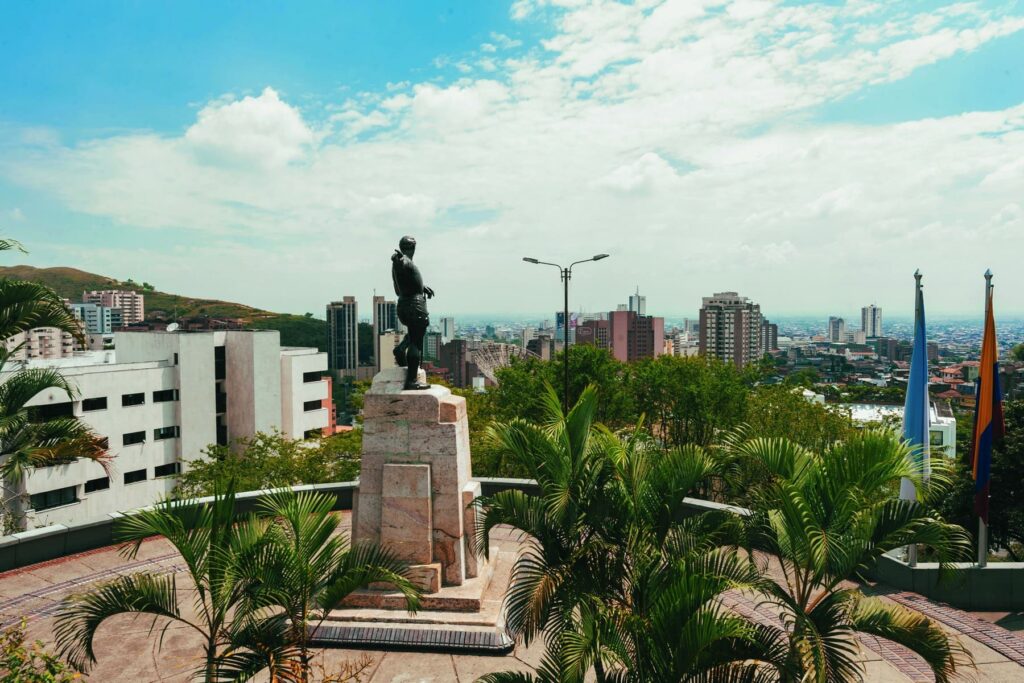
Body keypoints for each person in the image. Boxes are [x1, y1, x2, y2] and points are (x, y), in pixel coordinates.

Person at [391, 235, 434, 390]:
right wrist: (399, 261)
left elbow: (399, 288)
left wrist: (421, 287)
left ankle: (400, 349)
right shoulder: (404, 261)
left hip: (403, 304)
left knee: (414, 334)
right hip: (415, 305)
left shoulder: (401, 264)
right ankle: (412, 381)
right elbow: (403, 266)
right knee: (417, 342)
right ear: (413, 248)